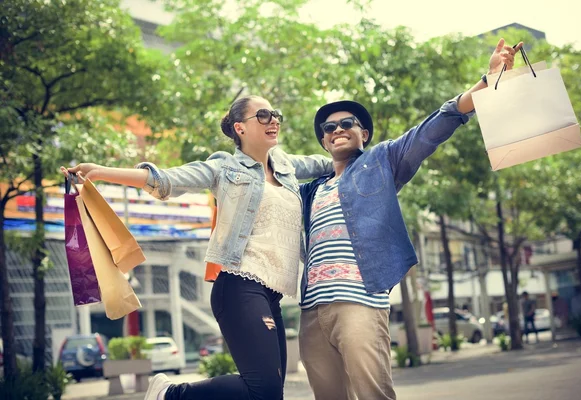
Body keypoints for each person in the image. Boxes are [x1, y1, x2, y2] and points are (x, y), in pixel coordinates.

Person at [61, 95, 332, 400]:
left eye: (275, 114)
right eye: (264, 115)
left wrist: (360, 148)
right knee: (264, 389)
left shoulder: (286, 166)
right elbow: (166, 179)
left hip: (272, 295)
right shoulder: (225, 167)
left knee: (270, 395)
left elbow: (329, 161)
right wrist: (100, 172)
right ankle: (170, 393)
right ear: (240, 128)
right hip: (239, 287)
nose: (274, 120)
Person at [298, 39, 523, 400]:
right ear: (324, 142)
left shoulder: (382, 162)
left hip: (360, 302)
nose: (337, 129)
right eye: (328, 128)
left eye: (347, 123)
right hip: (312, 311)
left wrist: (487, 81)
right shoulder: (310, 191)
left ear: (363, 134)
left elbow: (434, 127)